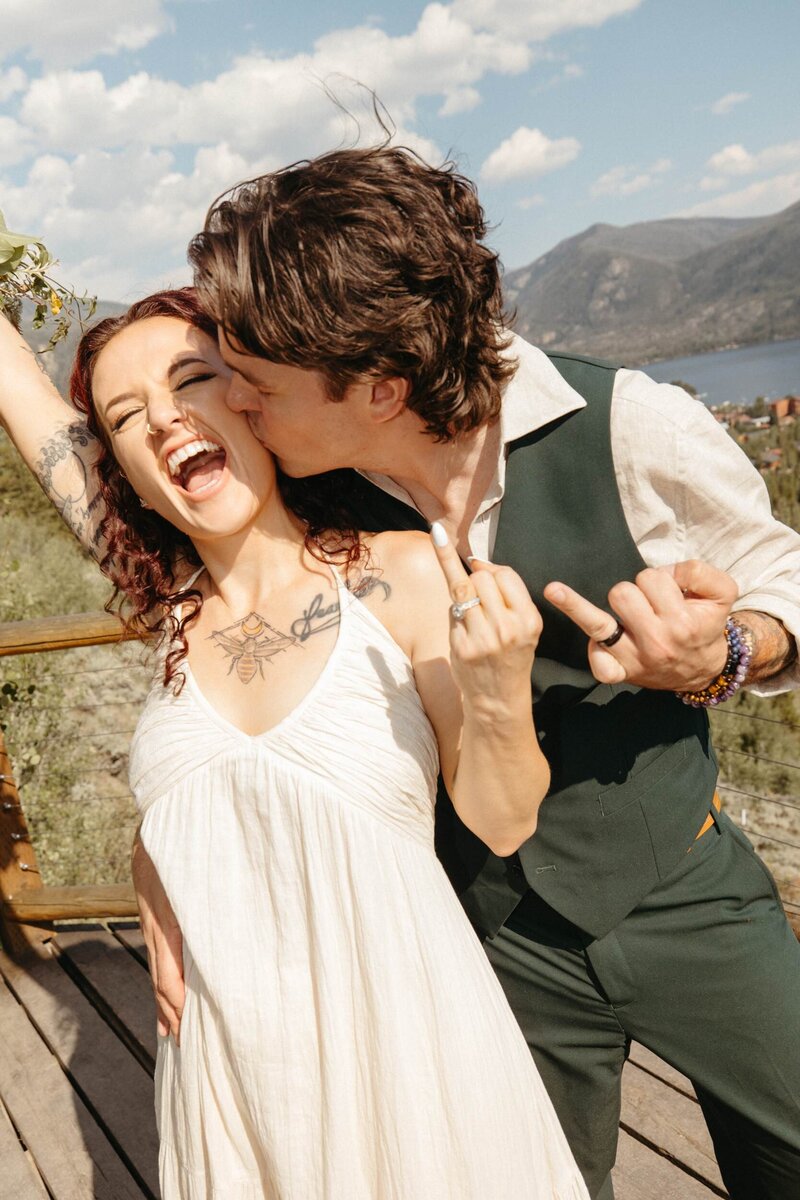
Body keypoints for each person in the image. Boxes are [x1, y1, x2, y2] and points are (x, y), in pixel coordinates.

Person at [135, 144, 799, 1200]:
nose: (240, 407)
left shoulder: (633, 425)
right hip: (483, 940)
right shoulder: (308, 495)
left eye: (258, 387)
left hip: (683, 893)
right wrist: (155, 866)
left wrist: (725, 652)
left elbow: (782, 582)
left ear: (379, 389)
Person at [0, 291, 590, 1198]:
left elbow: (504, 821)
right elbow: (22, 395)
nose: (163, 418)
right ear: (123, 474)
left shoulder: (401, 574)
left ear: (255, 402)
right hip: (227, 1069)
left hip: (405, 1053)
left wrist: (503, 686)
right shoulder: (169, 612)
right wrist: (154, 852)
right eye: (125, 415)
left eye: (190, 379)